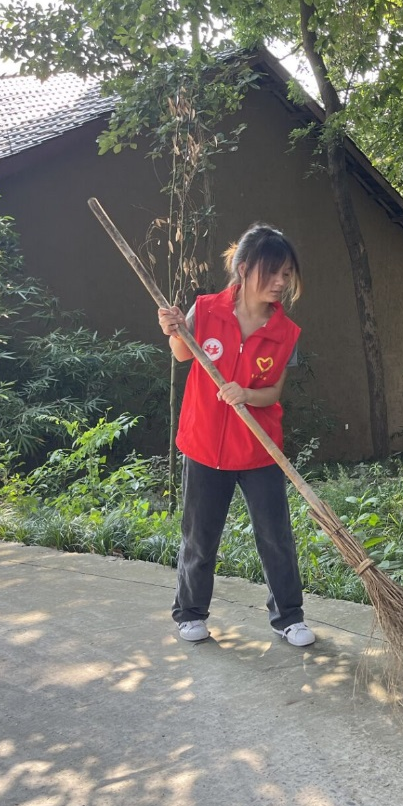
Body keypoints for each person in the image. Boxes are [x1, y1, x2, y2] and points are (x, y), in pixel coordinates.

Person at [156, 223, 315, 647]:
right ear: (243, 269)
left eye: (287, 274)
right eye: (274, 273)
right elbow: (182, 353)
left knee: (275, 537)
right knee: (200, 535)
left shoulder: (285, 333)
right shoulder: (205, 310)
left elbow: (275, 391)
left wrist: (246, 393)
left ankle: (289, 617)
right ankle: (190, 612)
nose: (282, 282)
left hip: (259, 448)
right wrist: (174, 329)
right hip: (204, 443)